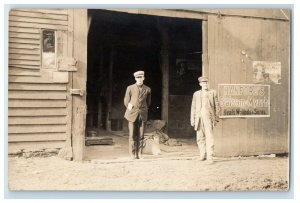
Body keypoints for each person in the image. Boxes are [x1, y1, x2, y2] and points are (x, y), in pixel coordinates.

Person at [190, 76, 219, 164]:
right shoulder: (196, 94)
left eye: (206, 83)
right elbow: (193, 107)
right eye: (203, 83)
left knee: (209, 137)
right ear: (200, 84)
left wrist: (216, 118)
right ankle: (202, 155)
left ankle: (210, 157)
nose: (205, 84)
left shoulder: (213, 93)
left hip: (208, 118)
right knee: (200, 137)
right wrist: (192, 119)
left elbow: (217, 106)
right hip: (199, 118)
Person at [124, 71, 151, 159]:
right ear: (135, 78)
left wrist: (143, 109)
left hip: (142, 115)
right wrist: (132, 109)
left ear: (143, 78)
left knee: (141, 135)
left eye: (141, 77)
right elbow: (126, 101)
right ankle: (132, 154)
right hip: (132, 115)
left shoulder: (147, 89)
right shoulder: (130, 88)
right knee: (132, 135)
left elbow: (148, 102)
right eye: (137, 78)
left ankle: (139, 153)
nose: (139, 79)